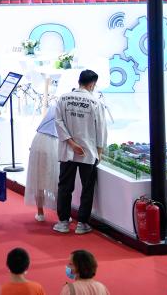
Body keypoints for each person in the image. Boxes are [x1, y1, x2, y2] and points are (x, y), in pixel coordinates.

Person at [53, 70, 107, 235]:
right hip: (88, 151)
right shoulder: (95, 102)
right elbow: (101, 129)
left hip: (68, 150)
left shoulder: (63, 98)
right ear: (92, 84)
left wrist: (71, 142)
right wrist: (99, 151)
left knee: (65, 186)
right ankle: (82, 223)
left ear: (79, 81)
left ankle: (63, 222)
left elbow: (58, 122)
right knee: (87, 188)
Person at [26, 102, 60, 222]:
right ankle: (62, 214)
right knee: (56, 179)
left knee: (38, 179)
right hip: (54, 142)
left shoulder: (55, 106)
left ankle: (40, 213)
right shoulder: (67, 108)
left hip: (39, 140)